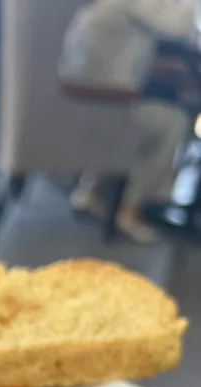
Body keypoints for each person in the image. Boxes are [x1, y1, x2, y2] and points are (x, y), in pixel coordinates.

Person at [59, 0, 200, 244]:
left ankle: (94, 192)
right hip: (104, 101)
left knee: (157, 110)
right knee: (172, 122)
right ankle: (130, 207)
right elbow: (180, 24)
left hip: (78, 95)